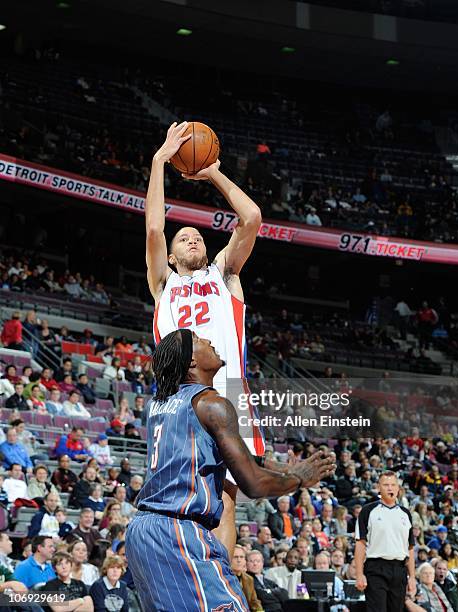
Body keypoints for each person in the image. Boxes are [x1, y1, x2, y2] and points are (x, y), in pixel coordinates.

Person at [125, 329, 336, 611]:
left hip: (143, 531)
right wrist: (298, 479)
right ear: (190, 361)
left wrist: (280, 467)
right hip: (176, 531)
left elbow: (221, 453)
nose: (210, 341)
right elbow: (254, 484)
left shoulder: (159, 404)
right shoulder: (212, 405)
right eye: (200, 340)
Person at [145, 122, 266, 557]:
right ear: (172, 256)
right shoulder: (163, 283)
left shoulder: (225, 274)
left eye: (196, 234)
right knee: (181, 501)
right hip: (180, 396)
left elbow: (250, 218)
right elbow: (155, 228)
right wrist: (161, 161)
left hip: (230, 390)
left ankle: (217, 588)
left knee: (226, 503)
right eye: (184, 238)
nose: (192, 236)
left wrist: (212, 172)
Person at [355, 471, 416, 611]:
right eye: (386, 485)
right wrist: (359, 574)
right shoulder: (367, 511)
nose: (390, 488)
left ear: (398, 489)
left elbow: (410, 548)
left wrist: (412, 577)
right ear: (378, 487)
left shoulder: (405, 514)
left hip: (399, 569)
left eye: (393, 485)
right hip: (375, 568)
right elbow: (360, 544)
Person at [231, 545, 263, 611]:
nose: (239, 560)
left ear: (245, 561)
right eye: (235, 557)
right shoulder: (222, 578)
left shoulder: (249, 579)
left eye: (241, 557)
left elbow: (254, 602)